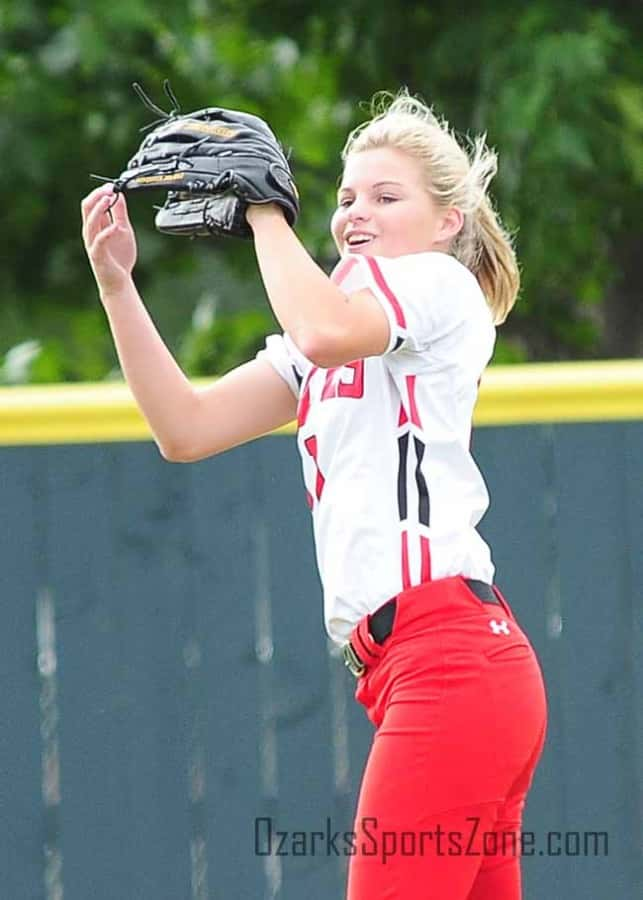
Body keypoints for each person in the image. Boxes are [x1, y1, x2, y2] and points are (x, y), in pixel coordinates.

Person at [81, 89, 547, 900]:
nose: (353, 214)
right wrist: (118, 287)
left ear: (447, 222)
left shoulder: (436, 283)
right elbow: (184, 428)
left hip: (450, 662)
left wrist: (265, 214)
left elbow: (325, 328)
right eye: (343, 198)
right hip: (437, 669)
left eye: (384, 195)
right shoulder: (329, 334)